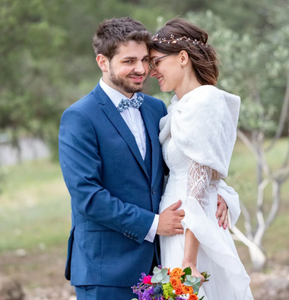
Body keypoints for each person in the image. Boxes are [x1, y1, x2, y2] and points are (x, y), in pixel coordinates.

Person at [58, 17, 240, 300]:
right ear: (103, 62)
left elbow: (186, 165)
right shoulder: (79, 117)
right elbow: (87, 196)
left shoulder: (156, 109)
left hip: (159, 264)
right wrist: (154, 224)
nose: (141, 69)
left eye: (146, 60)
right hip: (106, 270)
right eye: (129, 61)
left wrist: (222, 195)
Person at [149, 18, 253, 300]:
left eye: (156, 61)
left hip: (191, 232)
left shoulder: (205, 101)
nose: (151, 71)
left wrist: (190, 259)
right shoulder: (178, 106)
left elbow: (197, 184)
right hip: (175, 226)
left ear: (182, 58)